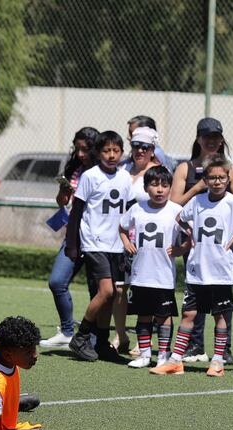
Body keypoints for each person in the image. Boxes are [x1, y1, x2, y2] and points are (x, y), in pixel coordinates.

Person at [151, 155, 233, 377]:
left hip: (220, 272)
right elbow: (179, 218)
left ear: (228, 177)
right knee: (188, 314)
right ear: (206, 179)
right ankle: (175, 361)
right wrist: (190, 232)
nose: (217, 181)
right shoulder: (197, 201)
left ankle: (218, 361)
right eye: (212, 177)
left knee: (220, 316)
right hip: (196, 271)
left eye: (221, 177)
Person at [169, 117, 233, 365]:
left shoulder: (230, 169)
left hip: (223, 244)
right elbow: (174, 204)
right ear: (198, 139)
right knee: (196, 291)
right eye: (206, 137)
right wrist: (198, 187)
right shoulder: (185, 168)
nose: (211, 141)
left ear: (221, 140)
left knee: (222, 295)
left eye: (216, 137)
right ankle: (195, 345)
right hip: (194, 243)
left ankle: (225, 349)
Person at [65, 131, 131, 362]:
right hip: (94, 242)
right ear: (98, 153)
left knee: (112, 298)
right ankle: (81, 336)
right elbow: (76, 212)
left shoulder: (125, 178)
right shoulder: (90, 176)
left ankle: (102, 343)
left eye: (116, 150)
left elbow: (129, 211)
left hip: (116, 245)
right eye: (106, 151)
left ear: (122, 152)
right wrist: (72, 245)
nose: (111, 155)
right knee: (107, 291)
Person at [119, 166, 185, 369]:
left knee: (164, 317)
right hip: (141, 275)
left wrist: (181, 249)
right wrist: (126, 243)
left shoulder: (176, 211)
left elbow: (192, 236)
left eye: (165, 185)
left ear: (170, 188)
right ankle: (145, 355)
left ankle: (163, 355)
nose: (160, 190)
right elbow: (122, 227)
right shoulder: (137, 208)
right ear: (146, 187)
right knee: (144, 314)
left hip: (163, 276)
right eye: (155, 185)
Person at [41, 127, 100, 348]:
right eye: (77, 148)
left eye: (85, 149)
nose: (80, 154)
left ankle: (94, 338)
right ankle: (67, 331)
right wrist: (63, 195)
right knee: (57, 281)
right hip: (73, 236)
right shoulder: (74, 169)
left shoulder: (103, 172)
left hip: (98, 239)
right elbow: (63, 202)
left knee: (97, 290)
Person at [112, 126, 162, 356]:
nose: (140, 150)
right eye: (136, 146)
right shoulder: (122, 169)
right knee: (120, 289)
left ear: (153, 149)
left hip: (146, 240)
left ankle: (145, 339)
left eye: (146, 147)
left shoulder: (158, 172)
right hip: (120, 237)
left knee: (145, 290)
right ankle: (120, 335)